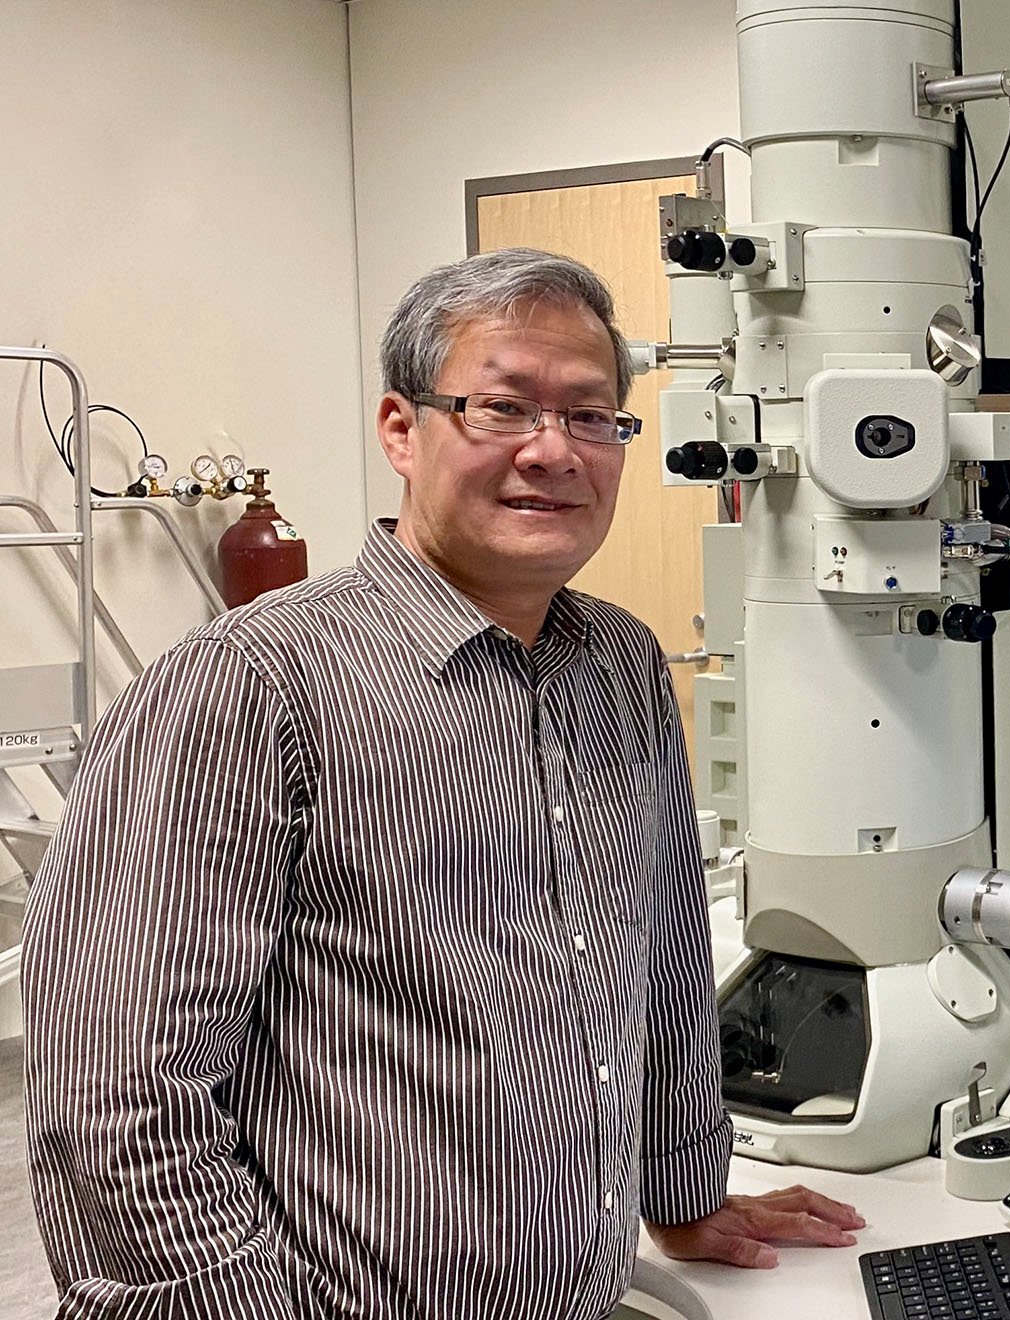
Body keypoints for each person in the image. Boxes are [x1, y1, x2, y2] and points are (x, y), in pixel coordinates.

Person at [21, 247, 862, 1317]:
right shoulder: (251, 686)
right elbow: (117, 1100)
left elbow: (659, 959)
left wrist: (683, 1188)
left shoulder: (624, 663)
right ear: (401, 431)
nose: (553, 451)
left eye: (591, 416)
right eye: (502, 407)